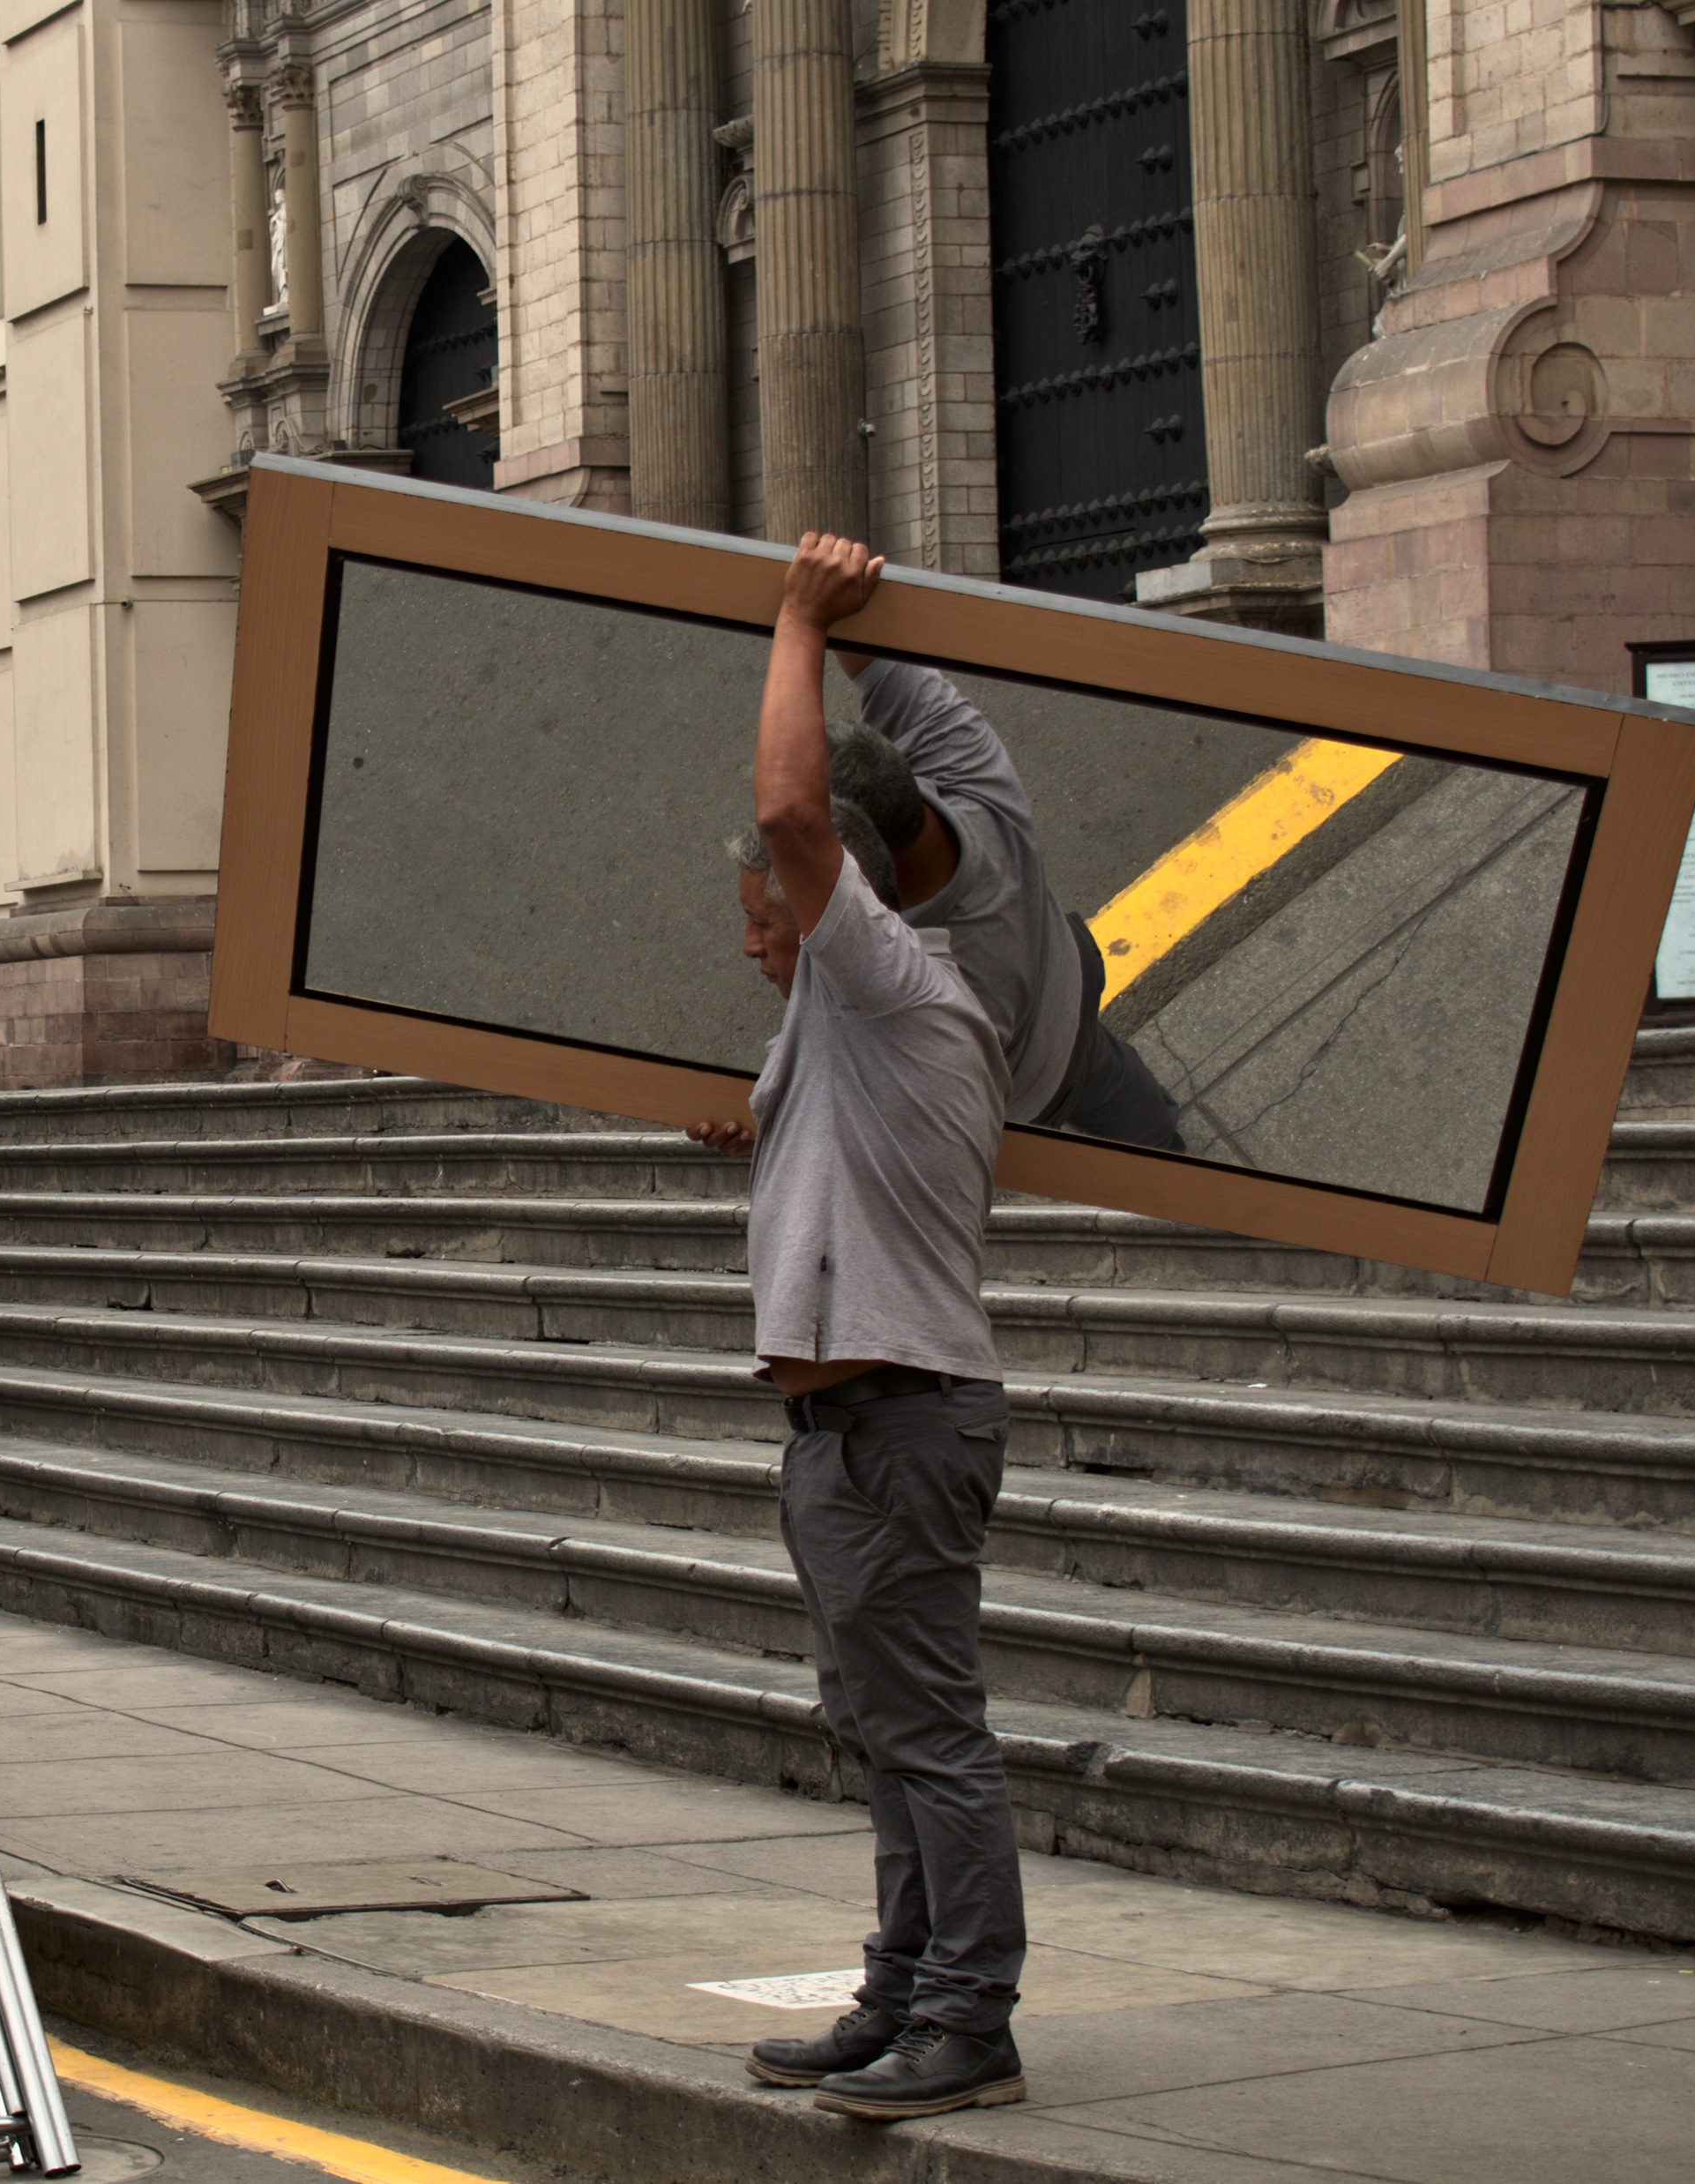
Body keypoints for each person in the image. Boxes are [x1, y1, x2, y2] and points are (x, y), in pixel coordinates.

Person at [708, 540, 1029, 2121]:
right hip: (849, 1433)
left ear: (835, 888)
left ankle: (970, 2020)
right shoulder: (844, 1015)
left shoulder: (897, 981)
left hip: (901, 1421)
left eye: (765, 911)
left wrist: (797, 618)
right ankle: (903, 1993)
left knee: (931, 1736)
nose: (753, 934)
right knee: (887, 1731)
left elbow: (793, 810)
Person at [822, 654, 1185, 1149]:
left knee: (1094, 1087)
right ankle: (1163, 1142)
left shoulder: (915, 972)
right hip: (1071, 977)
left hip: (1038, 1087)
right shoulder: (961, 759)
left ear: (859, 854)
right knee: (1113, 1077)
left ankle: (1161, 1160)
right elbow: (875, 657)